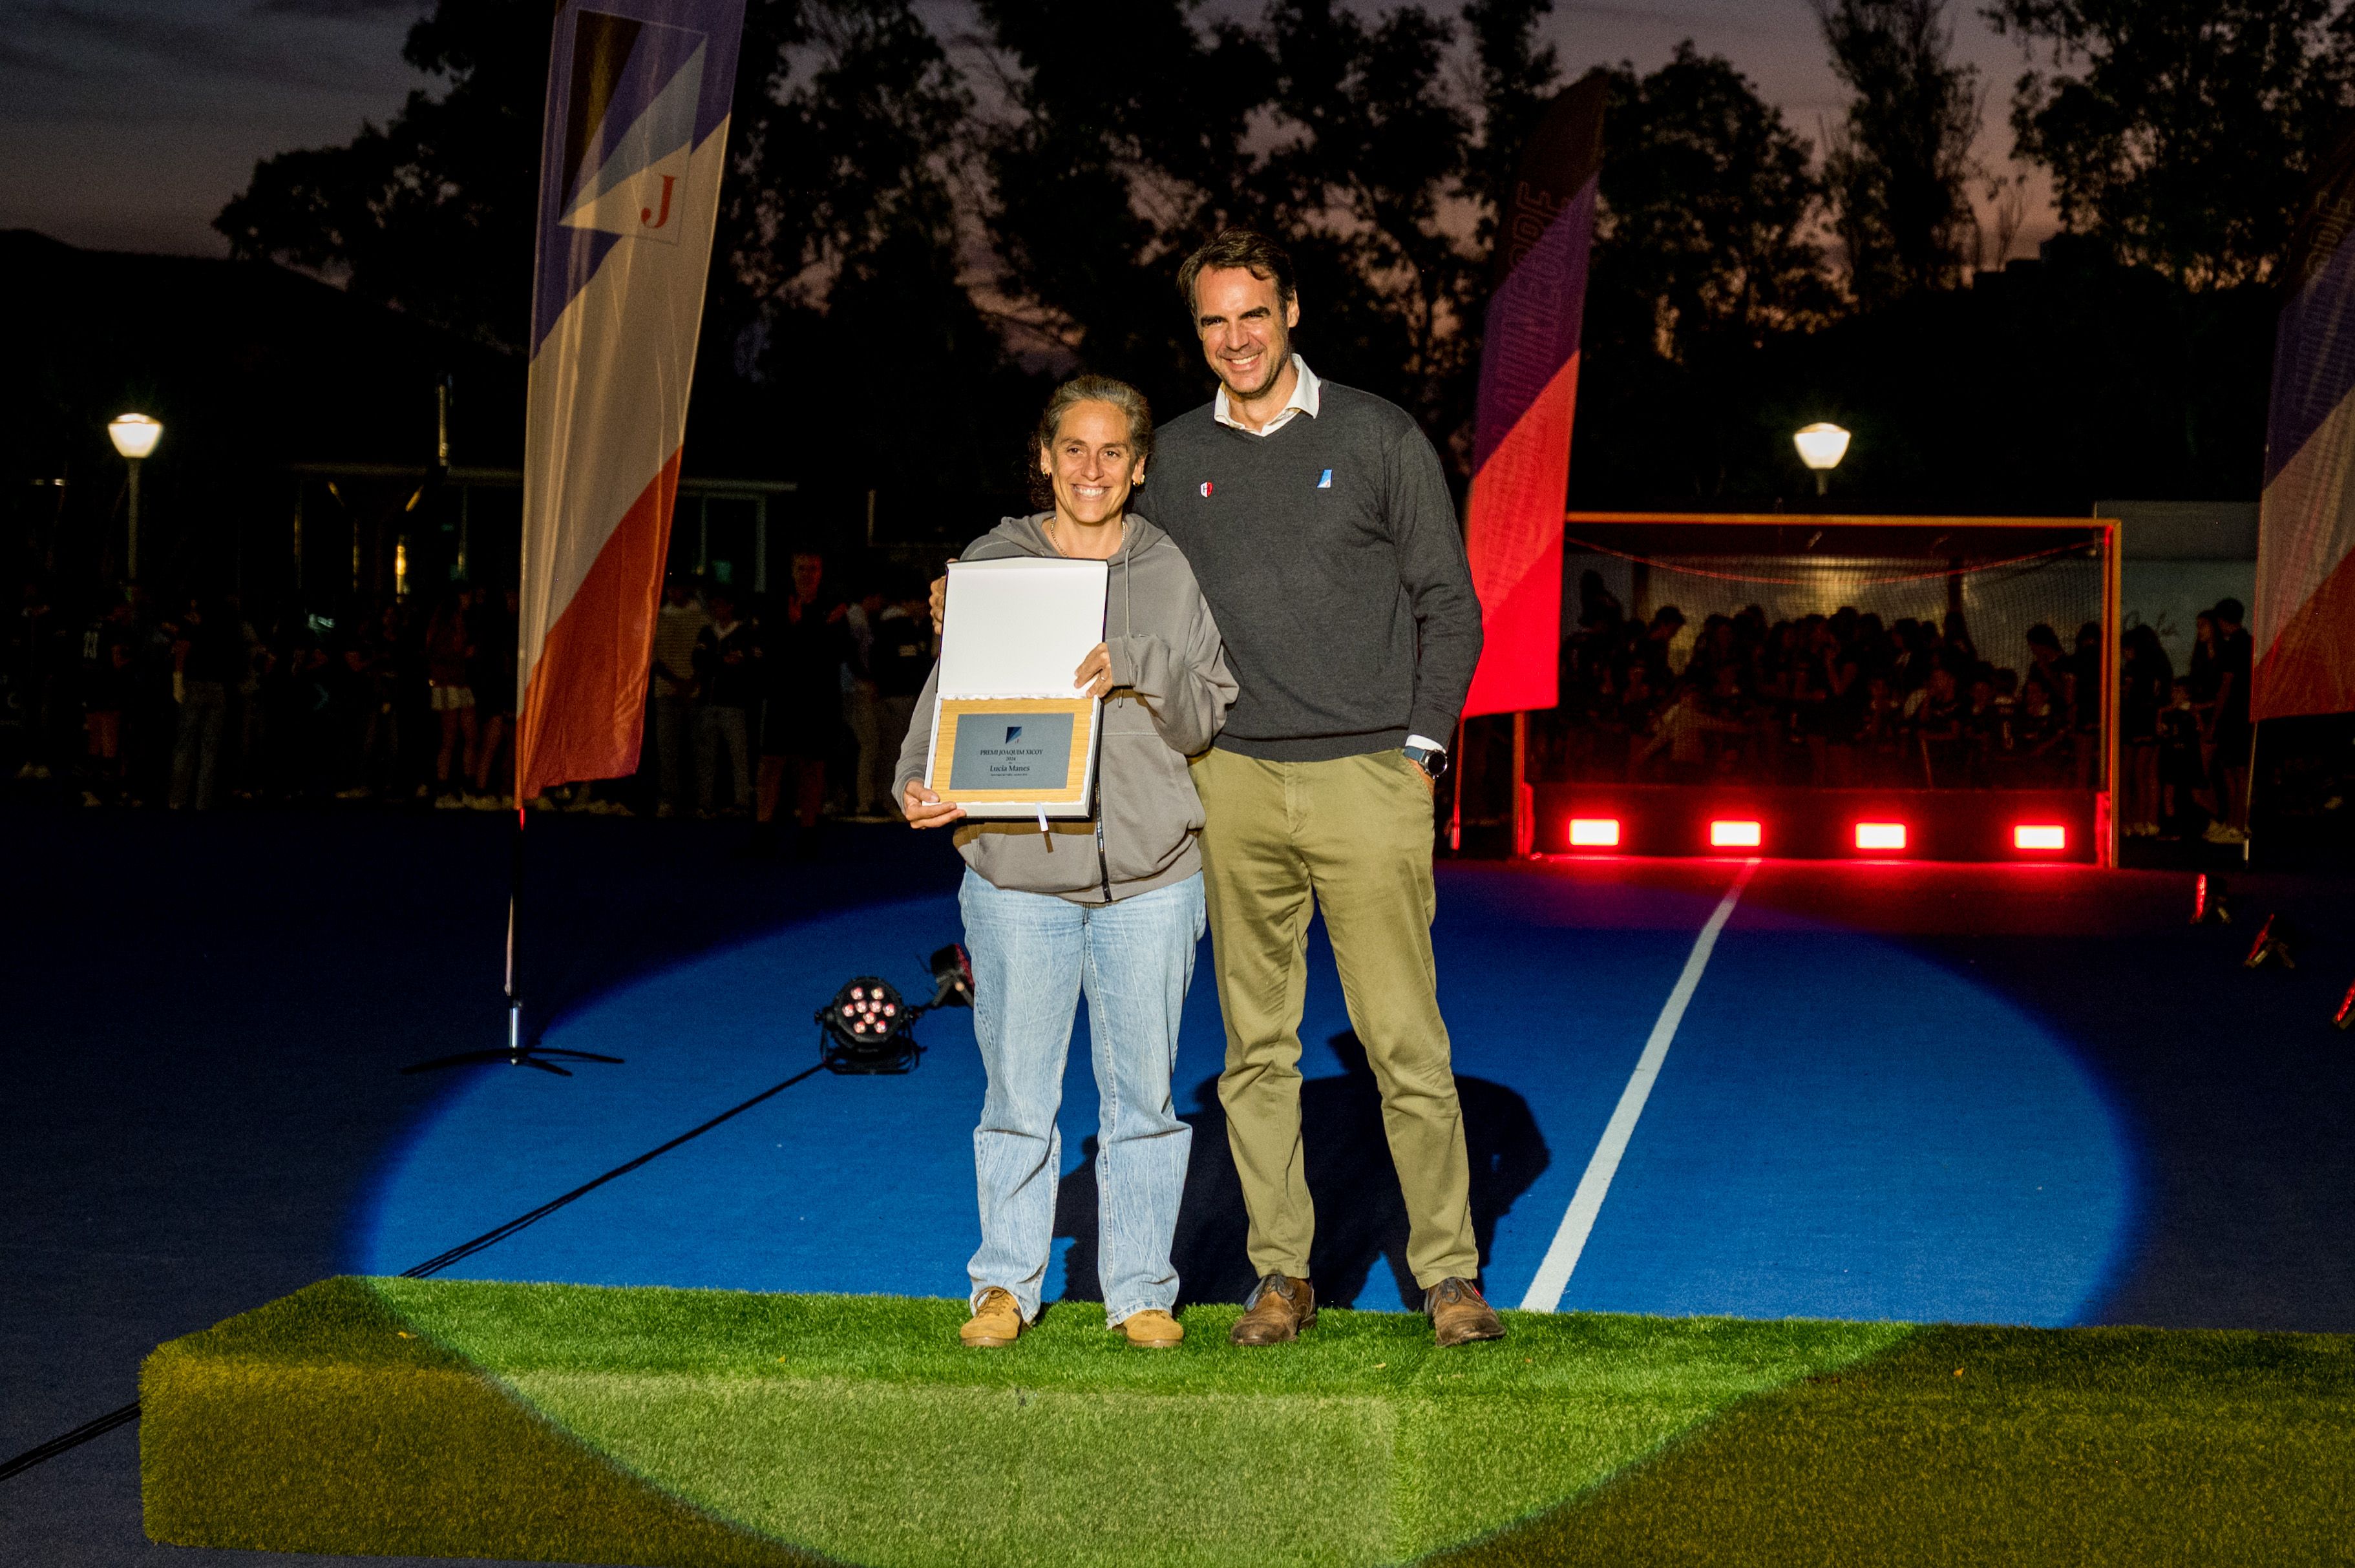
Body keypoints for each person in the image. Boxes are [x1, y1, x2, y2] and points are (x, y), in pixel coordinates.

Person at [1139, 230, 1496, 1347]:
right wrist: (981, 591)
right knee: (1255, 1049)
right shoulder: (1177, 454)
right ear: (1194, 329)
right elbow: (1100, 568)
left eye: (1252, 314)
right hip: (1233, 782)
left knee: (1403, 1042)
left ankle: (1446, 1274)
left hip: (1364, 781)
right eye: (1212, 320)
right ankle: (1280, 1273)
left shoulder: (1377, 434)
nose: (1234, 338)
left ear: (1290, 309)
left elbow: (1451, 602)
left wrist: (1421, 749)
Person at [896, 375, 1234, 1352]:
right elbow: (947, 703)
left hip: (1151, 873)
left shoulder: (1170, 566)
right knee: (1018, 1095)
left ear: (1140, 464)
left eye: (1113, 451)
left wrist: (1140, 660)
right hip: (1015, 875)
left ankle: (1138, 1288)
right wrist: (918, 782)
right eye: (1074, 449)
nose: (1093, 469)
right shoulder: (993, 568)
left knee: (1145, 1097)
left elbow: (1208, 709)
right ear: (1044, 457)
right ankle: (1005, 1283)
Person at [752, 554, 845, 854]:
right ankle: (763, 829)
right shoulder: (776, 604)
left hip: (817, 697)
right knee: (772, 762)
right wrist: (805, 630)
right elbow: (770, 648)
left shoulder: (834, 606)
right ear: (792, 571)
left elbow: (834, 651)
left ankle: (809, 829)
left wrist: (803, 630)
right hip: (783, 694)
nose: (807, 574)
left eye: (813, 568)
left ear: (821, 572)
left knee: (812, 765)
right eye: (801, 568)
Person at [693, 589, 757, 815]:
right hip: (708, 703)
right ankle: (705, 802)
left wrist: (730, 662)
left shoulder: (743, 633)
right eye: (712, 606)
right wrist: (722, 660)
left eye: (719, 605)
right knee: (706, 755)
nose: (715, 610)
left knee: (738, 754)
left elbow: (749, 662)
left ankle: (742, 800)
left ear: (730, 606)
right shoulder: (707, 632)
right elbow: (699, 660)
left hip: (733, 704)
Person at [649, 578, 707, 817]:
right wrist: (678, 683)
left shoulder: (701, 618)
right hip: (667, 693)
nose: (675, 592)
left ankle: (697, 800)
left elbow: (706, 654)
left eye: (678, 587)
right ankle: (669, 799)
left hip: (694, 693)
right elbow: (654, 658)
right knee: (668, 752)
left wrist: (692, 682)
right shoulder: (659, 617)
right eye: (670, 588)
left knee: (698, 750)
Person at [2206, 597, 2253, 844]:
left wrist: (2214, 721)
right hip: (2246, 715)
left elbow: (2226, 685)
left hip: (2232, 715)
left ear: (2223, 621)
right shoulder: (2249, 642)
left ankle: (2236, 825)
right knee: (2241, 773)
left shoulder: (2232, 646)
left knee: (2232, 773)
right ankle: (2237, 824)